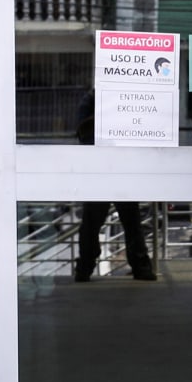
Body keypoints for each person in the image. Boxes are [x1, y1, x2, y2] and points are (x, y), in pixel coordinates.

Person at [73, 94, 155, 283]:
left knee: (124, 222)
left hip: (113, 168)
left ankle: (86, 267)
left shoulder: (102, 99)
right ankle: (86, 267)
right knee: (98, 223)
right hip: (106, 169)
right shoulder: (94, 99)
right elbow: (83, 132)